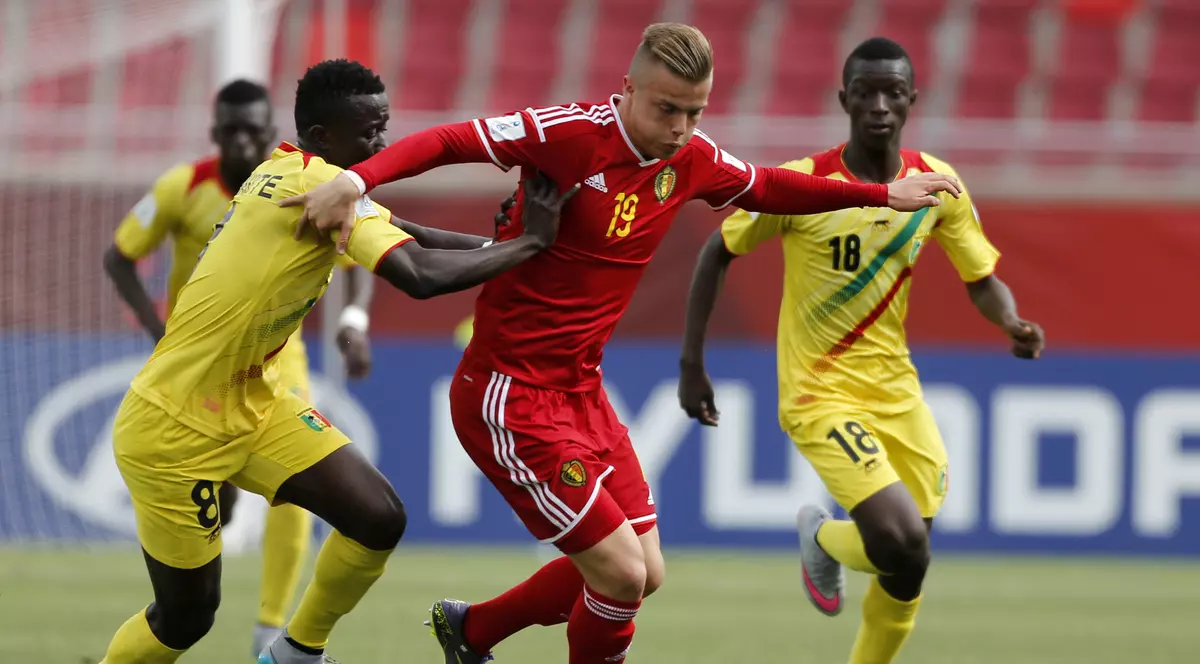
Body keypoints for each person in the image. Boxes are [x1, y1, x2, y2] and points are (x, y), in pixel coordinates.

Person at [284, 24, 964, 664]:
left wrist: (878, 193)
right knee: (618, 575)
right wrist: (353, 180)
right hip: (510, 396)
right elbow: (450, 141)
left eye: (695, 112)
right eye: (668, 109)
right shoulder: (569, 134)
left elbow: (768, 186)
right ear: (629, 90)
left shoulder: (691, 159)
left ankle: (472, 629)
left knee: (646, 574)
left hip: (582, 394)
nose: (682, 129)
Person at [96, 58, 575, 664]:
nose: (382, 144)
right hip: (172, 426)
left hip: (255, 404)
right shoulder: (313, 186)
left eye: (385, 126)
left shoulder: (294, 171)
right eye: (369, 131)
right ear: (324, 137)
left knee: (377, 517)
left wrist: (517, 251)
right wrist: (531, 243)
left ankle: (295, 652)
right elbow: (420, 276)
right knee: (186, 617)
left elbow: (410, 232)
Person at [677, 37, 1046, 664]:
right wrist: (692, 364)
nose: (879, 105)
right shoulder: (801, 184)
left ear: (911, 101)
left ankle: (839, 577)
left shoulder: (938, 187)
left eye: (892, 93)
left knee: (907, 568)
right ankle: (821, 536)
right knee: (901, 544)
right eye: (866, 92)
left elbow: (980, 278)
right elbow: (718, 251)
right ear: (843, 97)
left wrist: (1010, 320)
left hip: (897, 393)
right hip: (818, 392)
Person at [102, 77, 376, 657]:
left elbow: (358, 239)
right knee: (204, 557)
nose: (244, 140)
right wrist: (160, 333)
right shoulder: (188, 187)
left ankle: (272, 630)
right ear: (215, 133)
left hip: (277, 357)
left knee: (310, 488)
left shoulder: (308, 182)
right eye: (232, 130)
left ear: (273, 134)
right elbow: (120, 256)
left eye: (254, 129)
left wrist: (352, 318)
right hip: (194, 370)